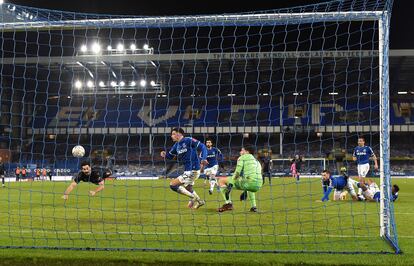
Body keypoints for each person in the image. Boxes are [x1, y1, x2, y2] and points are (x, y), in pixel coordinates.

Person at [160, 127, 208, 210]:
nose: (172, 136)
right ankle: (200, 201)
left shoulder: (188, 140)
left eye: (173, 134)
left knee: (173, 185)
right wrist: (165, 154)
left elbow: (203, 147)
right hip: (188, 170)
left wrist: (203, 158)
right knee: (188, 188)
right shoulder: (176, 145)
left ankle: (193, 198)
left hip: (193, 170)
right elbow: (170, 156)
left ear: (179, 134)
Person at [217, 145, 262, 213]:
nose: (240, 152)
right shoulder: (257, 161)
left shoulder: (242, 157)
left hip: (249, 183)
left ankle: (228, 204)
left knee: (221, 180)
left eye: (242, 150)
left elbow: (237, 173)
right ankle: (254, 207)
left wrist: (230, 185)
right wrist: (245, 190)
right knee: (249, 181)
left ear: (246, 151)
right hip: (258, 185)